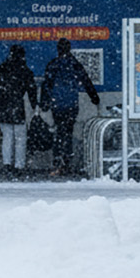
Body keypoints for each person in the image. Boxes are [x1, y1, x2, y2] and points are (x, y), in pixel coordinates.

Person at [39, 38, 100, 176]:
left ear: (58, 49)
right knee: (68, 132)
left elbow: (46, 85)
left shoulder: (53, 64)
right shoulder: (75, 64)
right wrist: (94, 97)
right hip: (71, 104)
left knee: (58, 132)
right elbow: (86, 81)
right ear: (69, 48)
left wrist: (44, 103)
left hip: (57, 104)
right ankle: (66, 162)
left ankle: (57, 161)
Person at [0, 44, 38, 177]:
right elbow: (32, 90)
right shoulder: (24, 70)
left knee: (7, 137)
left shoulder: (1, 69)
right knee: (20, 138)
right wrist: (35, 105)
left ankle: (7, 164)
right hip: (17, 106)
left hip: (3, 107)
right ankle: (19, 165)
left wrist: (2, 95)